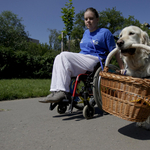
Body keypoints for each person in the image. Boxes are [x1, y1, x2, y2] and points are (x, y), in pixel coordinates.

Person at [39, 7, 124, 103]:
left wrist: (122, 67)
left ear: (97, 19)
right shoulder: (85, 33)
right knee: (59, 57)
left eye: (91, 18)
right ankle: (55, 91)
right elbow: (83, 51)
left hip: (96, 59)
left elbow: (115, 51)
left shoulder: (105, 32)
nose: (88, 21)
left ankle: (62, 92)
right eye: (86, 19)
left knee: (63, 55)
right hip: (83, 59)